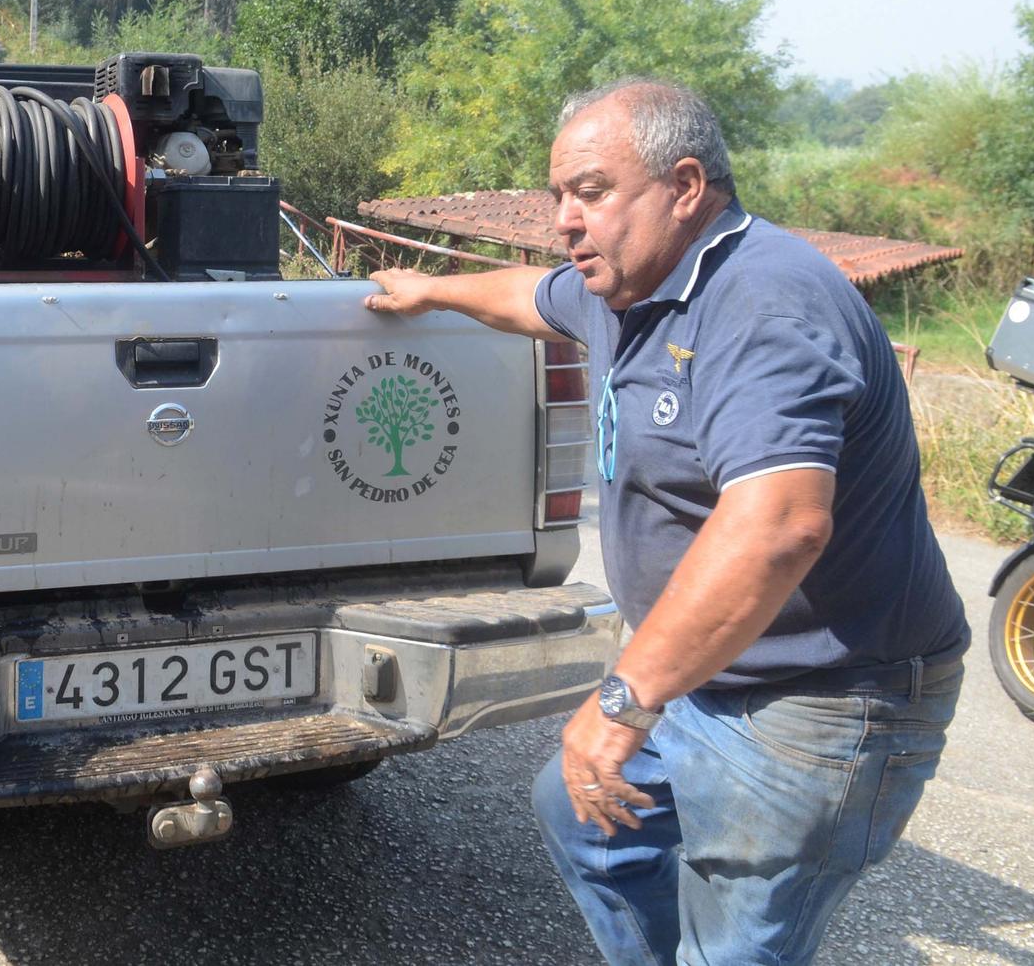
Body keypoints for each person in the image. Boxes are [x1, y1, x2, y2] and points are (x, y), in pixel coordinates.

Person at [366, 79, 968, 966]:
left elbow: (780, 526)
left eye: (593, 190)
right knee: (586, 821)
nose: (565, 219)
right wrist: (431, 290)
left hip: (824, 699)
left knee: (737, 947)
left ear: (686, 186)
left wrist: (625, 696)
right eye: (557, 195)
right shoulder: (625, 288)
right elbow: (528, 295)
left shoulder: (762, 306)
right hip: (713, 675)